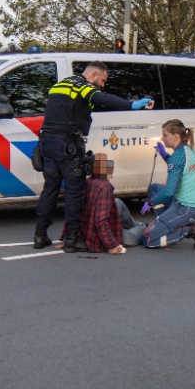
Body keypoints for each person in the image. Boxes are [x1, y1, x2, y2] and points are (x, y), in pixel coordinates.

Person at [34, 61, 152, 252]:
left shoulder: (60, 85)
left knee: (50, 189)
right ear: (94, 75)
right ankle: (72, 240)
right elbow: (104, 99)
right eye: (103, 80)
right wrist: (132, 104)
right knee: (75, 192)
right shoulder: (83, 87)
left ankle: (40, 236)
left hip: (47, 145)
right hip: (68, 147)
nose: (102, 85)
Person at [54, 153, 144, 254]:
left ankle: (135, 225)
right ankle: (141, 226)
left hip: (86, 232)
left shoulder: (86, 182)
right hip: (103, 237)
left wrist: (67, 237)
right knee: (143, 230)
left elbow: (72, 211)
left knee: (117, 201)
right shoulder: (104, 187)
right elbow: (101, 220)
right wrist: (111, 245)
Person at [141, 119, 195, 249]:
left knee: (148, 239)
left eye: (165, 135)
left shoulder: (177, 156)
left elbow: (169, 192)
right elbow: (178, 169)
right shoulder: (190, 149)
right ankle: (164, 226)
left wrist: (150, 203)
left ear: (175, 136)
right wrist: (165, 155)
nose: (162, 138)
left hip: (189, 207)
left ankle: (191, 230)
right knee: (154, 188)